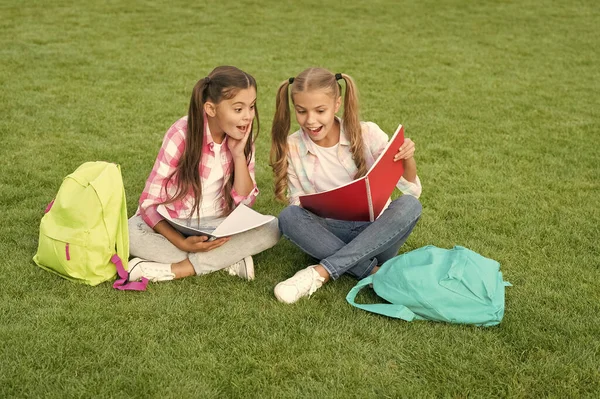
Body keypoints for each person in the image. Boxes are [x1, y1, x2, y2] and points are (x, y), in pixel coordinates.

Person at [269, 67, 422, 304]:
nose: (310, 120)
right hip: (329, 232)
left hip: (377, 233)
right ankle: (371, 272)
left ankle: (320, 272)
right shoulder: (293, 147)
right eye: (301, 111)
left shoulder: (367, 133)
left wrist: (407, 157)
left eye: (320, 110)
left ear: (337, 104)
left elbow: (412, 190)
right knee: (289, 217)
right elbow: (297, 202)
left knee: (410, 205)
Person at [128, 66, 280, 283]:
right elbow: (148, 203)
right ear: (210, 109)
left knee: (273, 229)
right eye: (238, 109)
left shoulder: (242, 137)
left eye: (252, 106)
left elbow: (245, 201)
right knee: (130, 233)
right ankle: (228, 259)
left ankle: (178, 269)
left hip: (219, 225)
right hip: (175, 223)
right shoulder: (181, 134)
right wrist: (181, 242)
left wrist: (238, 155)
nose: (248, 117)